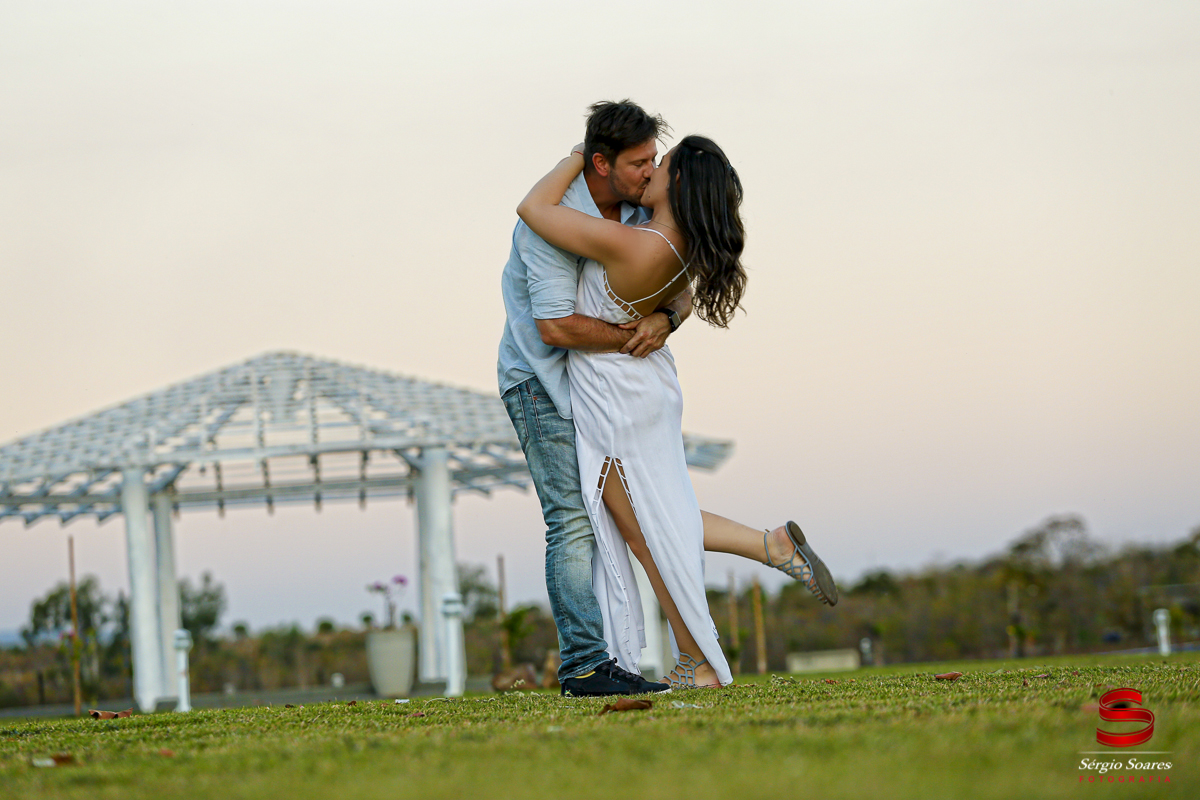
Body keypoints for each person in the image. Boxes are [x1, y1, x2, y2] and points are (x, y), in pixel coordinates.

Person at [499, 100, 836, 695]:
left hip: (616, 395)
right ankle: (767, 548)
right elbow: (625, 304)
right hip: (626, 385)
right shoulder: (658, 236)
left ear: (676, 185)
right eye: (642, 161)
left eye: (660, 162)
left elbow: (535, 213)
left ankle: (684, 660)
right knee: (661, 514)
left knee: (635, 530)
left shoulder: (640, 237)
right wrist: (663, 321)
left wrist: (577, 155)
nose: (650, 170)